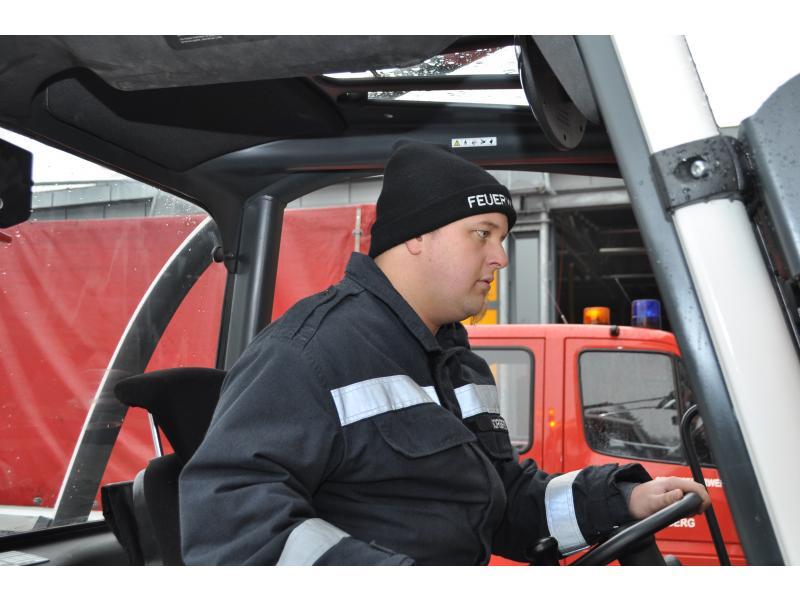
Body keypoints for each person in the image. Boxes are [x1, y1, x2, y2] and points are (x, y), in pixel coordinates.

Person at [179, 141, 710, 565]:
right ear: (416, 237)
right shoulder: (310, 354)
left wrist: (620, 501)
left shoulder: (457, 364)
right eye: (482, 234)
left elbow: (501, 500)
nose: (500, 257)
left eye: (502, 238)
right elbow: (228, 522)